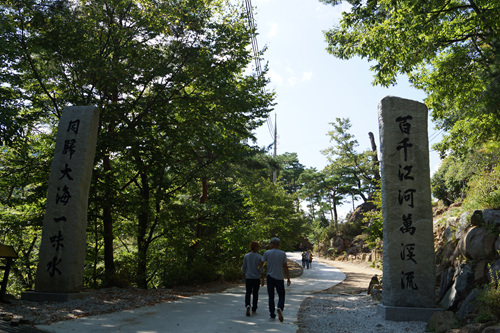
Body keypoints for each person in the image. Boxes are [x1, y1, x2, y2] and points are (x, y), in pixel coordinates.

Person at [258, 237, 291, 322]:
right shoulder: (282, 253)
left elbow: (261, 263)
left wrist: (258, 269)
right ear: (278, 244)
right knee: (281, 295)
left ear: (273, 244)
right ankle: (280, 307)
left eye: (271, 243)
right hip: (279, 277)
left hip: (270, 277)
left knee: (271, 297)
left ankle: (272, 314)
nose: (270, 244)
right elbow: (285, 267)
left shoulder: (267, 253)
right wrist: (288, 278)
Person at [242, 241, 264, 316]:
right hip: (256, 278)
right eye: (258, 247)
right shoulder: (259, 257)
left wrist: (243, 276)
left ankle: (248, 305)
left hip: (248, 277)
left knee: (248, 292)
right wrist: (263, 278)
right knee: (255, 293)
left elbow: (244, 267)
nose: (258, 248)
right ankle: (254, 308)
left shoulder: (246, 256)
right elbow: (261, 268)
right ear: (255, 247)